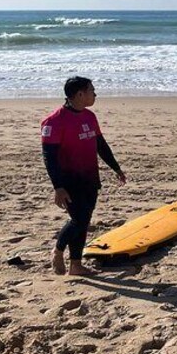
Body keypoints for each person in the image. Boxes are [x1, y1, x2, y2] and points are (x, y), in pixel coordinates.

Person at [41, 77, 126, 276]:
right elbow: (49, 157)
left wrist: (116, 168)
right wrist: (58, 187)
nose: (95, 94)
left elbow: (101, 146)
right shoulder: (54, 121)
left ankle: (76, 265)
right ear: (80, 94)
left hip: (90, 177)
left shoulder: (89, 116)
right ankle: (58, 250)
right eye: (92, 91)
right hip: (69, 180)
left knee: (84, 220)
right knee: (78, 220)